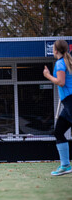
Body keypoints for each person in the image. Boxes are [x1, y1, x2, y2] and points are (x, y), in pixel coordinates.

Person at [43, 39, 72, 176]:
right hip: (68, 103)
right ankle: (65, 165)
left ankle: (65, 165)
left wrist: (48, 75)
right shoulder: (66, 62)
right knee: (59, 132)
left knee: (59, 132)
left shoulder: (61, 63)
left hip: (70, 102)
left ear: (55, 50)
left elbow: (60, 82)